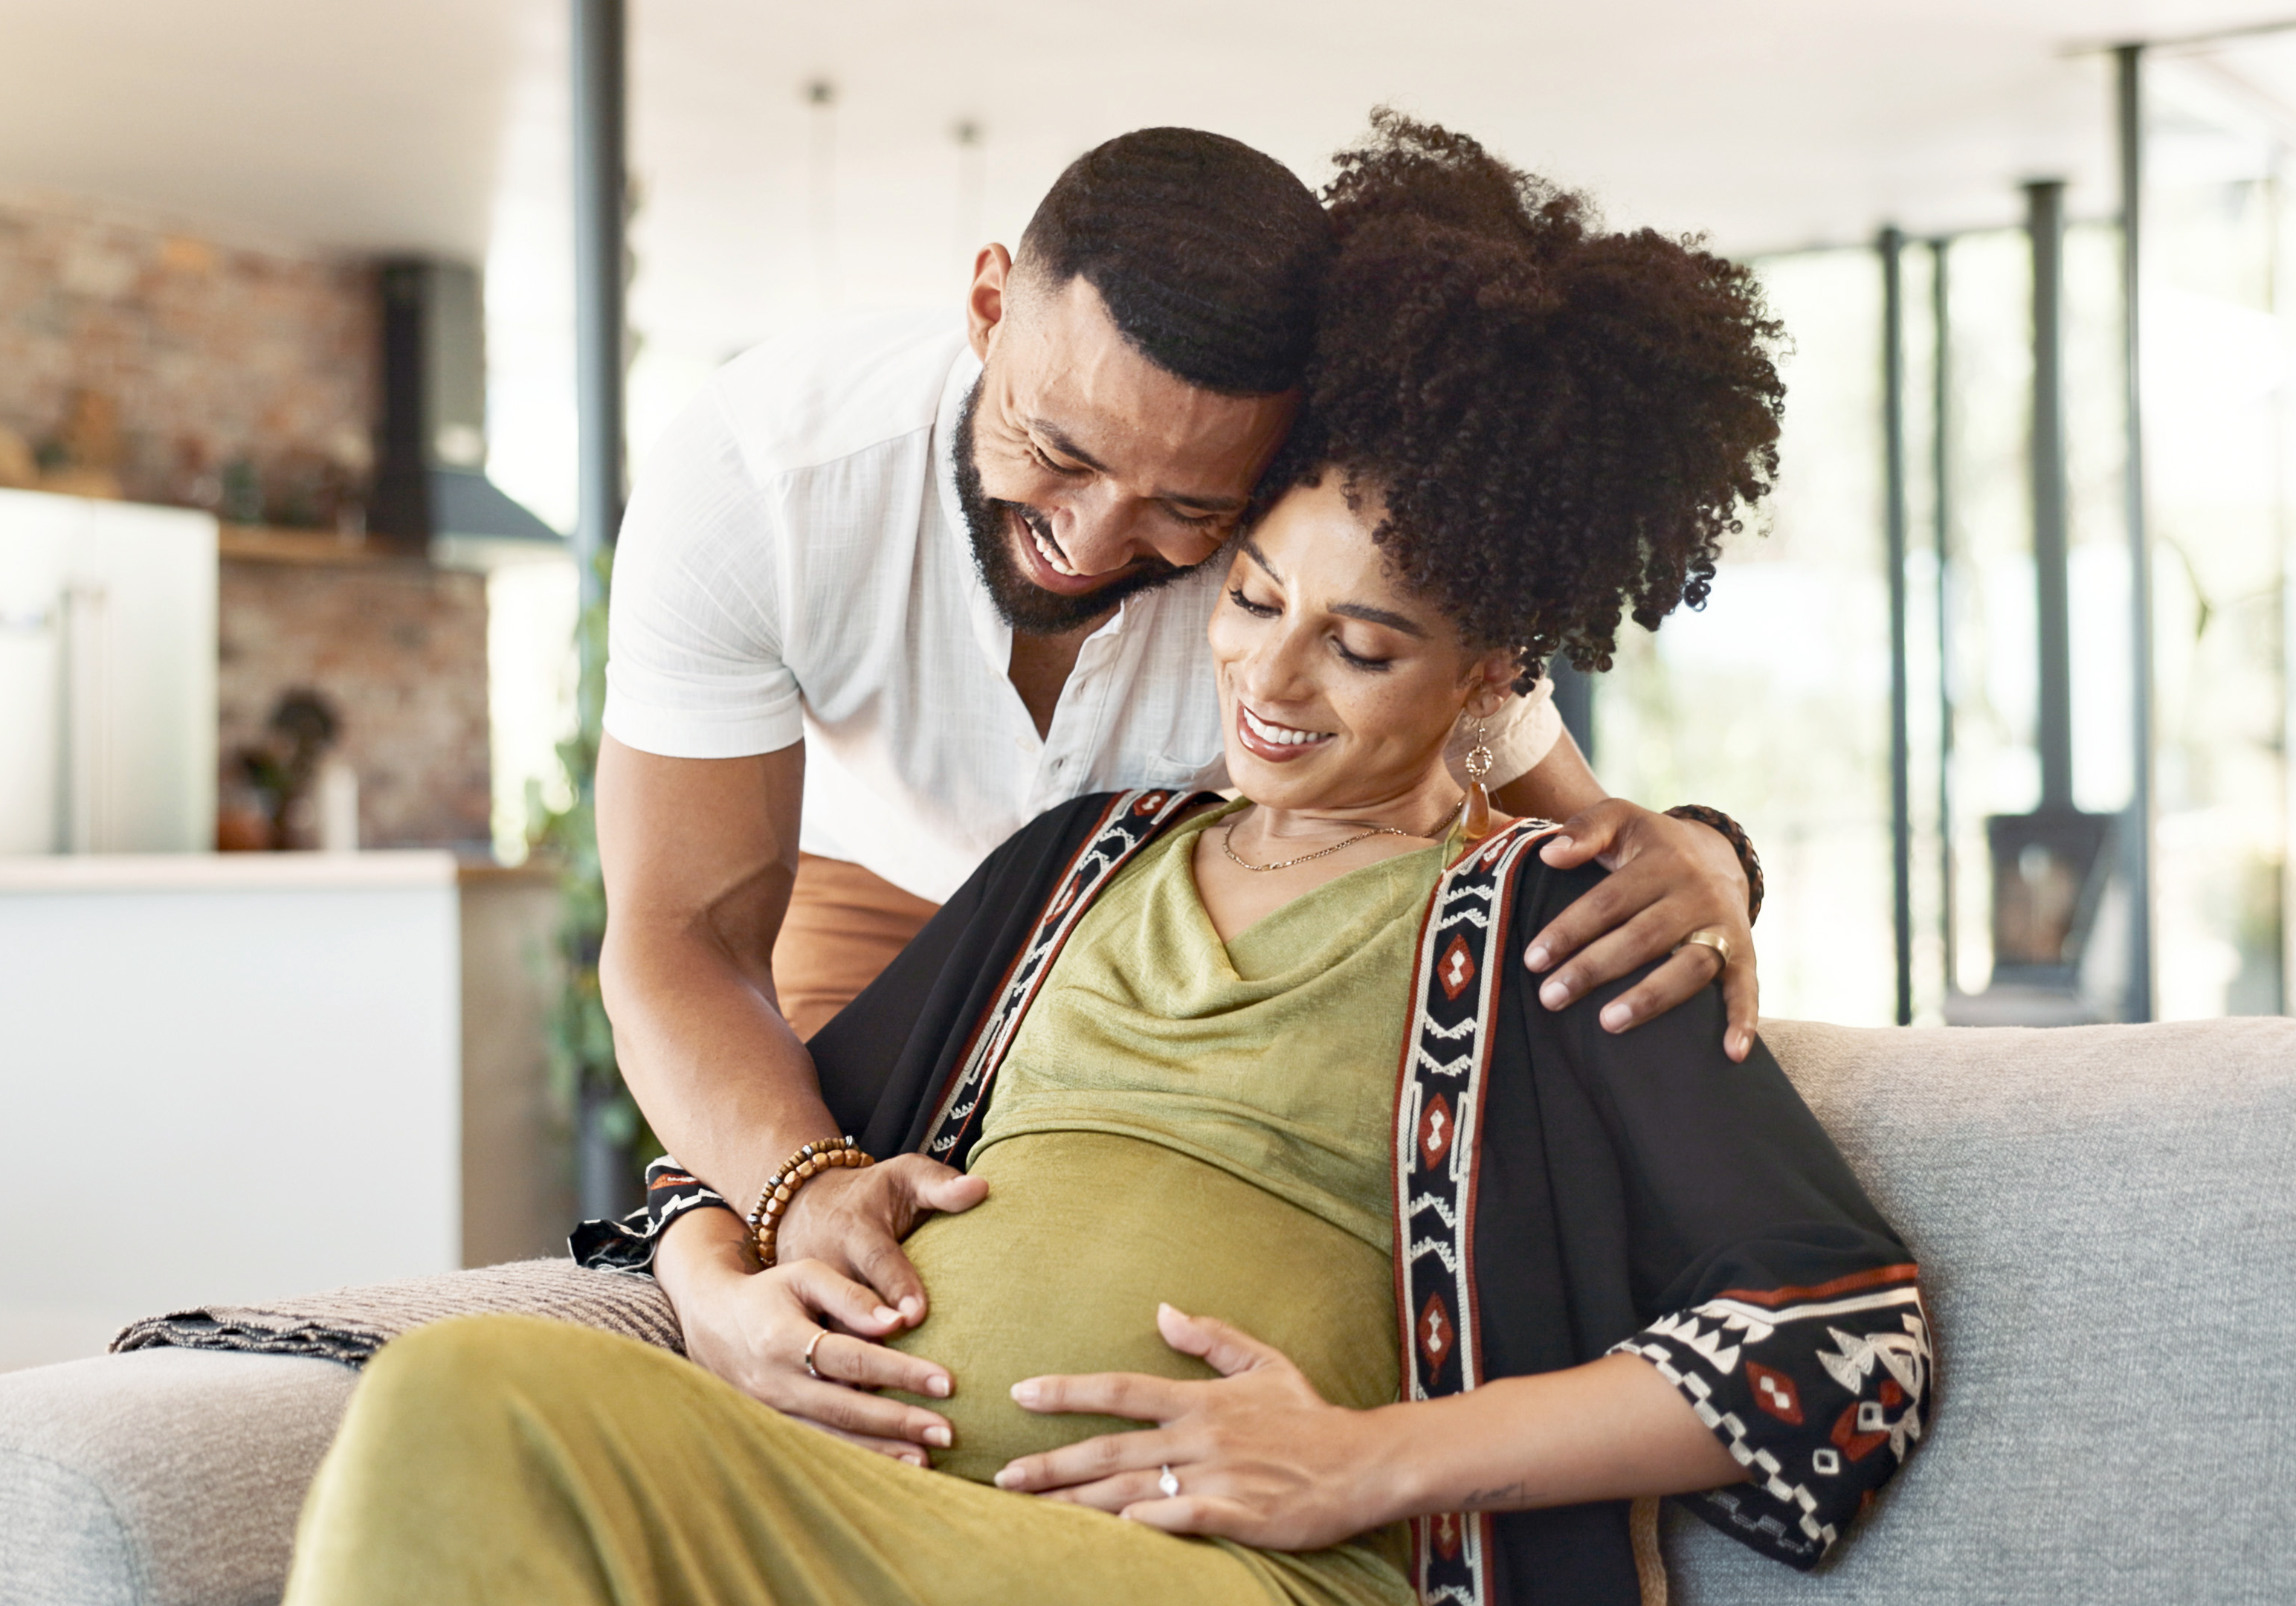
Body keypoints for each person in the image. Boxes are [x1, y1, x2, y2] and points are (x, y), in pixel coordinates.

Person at [288, 117, 1928, 1606]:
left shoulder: (1549, 925)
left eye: (1358, 648)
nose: (1269, 683)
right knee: (462, 1389)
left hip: (1188, 1574)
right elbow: (719, 1050)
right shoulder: (1076, 856)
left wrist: (1367, 1463)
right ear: (988, 305)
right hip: (871, 1511)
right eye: (1256, 605)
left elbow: (1839, 1348)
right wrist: (730, 1268)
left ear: (1488, 676)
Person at [596, 123, 1771, 1436]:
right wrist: (777, 1200)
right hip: (892, 904)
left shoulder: (1312, 530)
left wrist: (1709, 855)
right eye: (1060, 451)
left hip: (1117, 924)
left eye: (1189, 513)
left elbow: (1554, 818)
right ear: (989, 307)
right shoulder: (764, 479)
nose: (1091, 542)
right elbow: (681, 937)